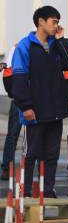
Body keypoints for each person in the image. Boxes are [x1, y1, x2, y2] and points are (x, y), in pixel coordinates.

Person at [12, 6, 68, 198]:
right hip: (35, 111)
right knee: (31, 153)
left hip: (55, 110)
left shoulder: (57, 45)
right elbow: (19, 78)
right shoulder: (25, 46)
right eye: (53, 22)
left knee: (52, 154)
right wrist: (26, 106)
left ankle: (48, 189)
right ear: (40, 21)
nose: (56, 26)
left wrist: (61, 41)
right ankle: (26, 191)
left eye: (57, 22)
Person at [1, 44, 21, 180]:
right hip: (19, 101)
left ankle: (41, 169)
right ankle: (7, 168)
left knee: (37, 135)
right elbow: (7, 73)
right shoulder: (17, 47)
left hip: (36, 101)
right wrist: (13, 93)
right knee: (13, 134)